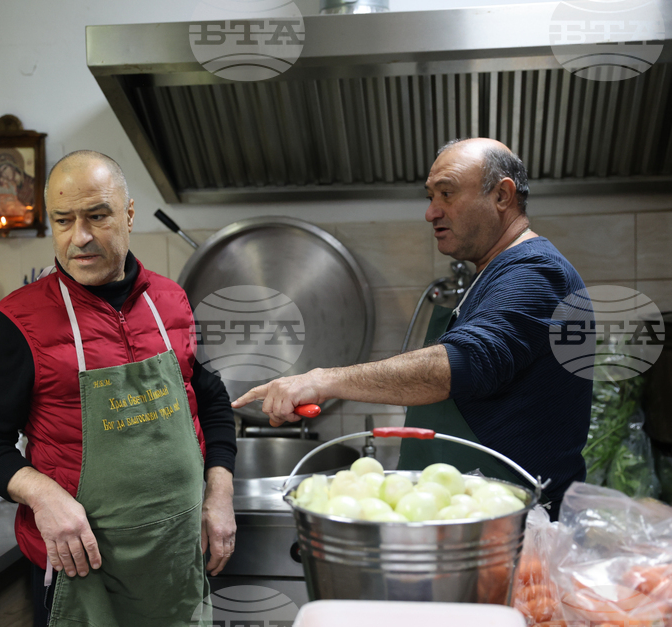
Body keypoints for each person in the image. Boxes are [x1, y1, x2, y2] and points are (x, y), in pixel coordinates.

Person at [0, 150, 236, 627]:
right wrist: (44, 497)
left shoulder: (171, 302)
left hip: (174, 568)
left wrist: (219, 494)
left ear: (128, 215)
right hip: (80, 574)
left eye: (97, 216)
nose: (79, 237)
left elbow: (212, 403)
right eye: (63, 221)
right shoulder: (19, 322)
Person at [232, 138, 593, 518]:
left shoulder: (535, 272)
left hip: (516, 529)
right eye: (430, 196)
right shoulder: (494, 273)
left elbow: (460, 364)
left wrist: (322, 379)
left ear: (502, 195)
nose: (431, 212)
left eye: (447, 193)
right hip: (477, 518)